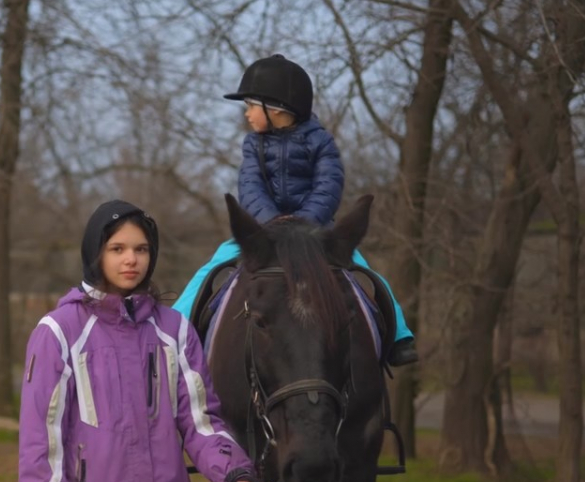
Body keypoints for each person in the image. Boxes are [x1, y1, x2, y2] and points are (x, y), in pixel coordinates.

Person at [18, 200, 276, 482]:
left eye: (141, 249)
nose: (131, 259)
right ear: (95, 253)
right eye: (117, 248)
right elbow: (41, 441)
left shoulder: (174, 330)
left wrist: (237, 473)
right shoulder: (58, 332)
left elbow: (201, 422)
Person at [173, 54, 419, 366]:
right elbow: (250, 187)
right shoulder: (252, 145)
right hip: (265, 233)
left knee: (366, 272)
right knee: (212, 268)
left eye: (250, 105)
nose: (247, 113)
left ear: (276, 108)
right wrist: (272, 222)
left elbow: (328, 185)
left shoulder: (321, 142)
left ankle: (399, 336)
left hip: (316, 232)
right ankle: (175, 328)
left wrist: (304, 222)